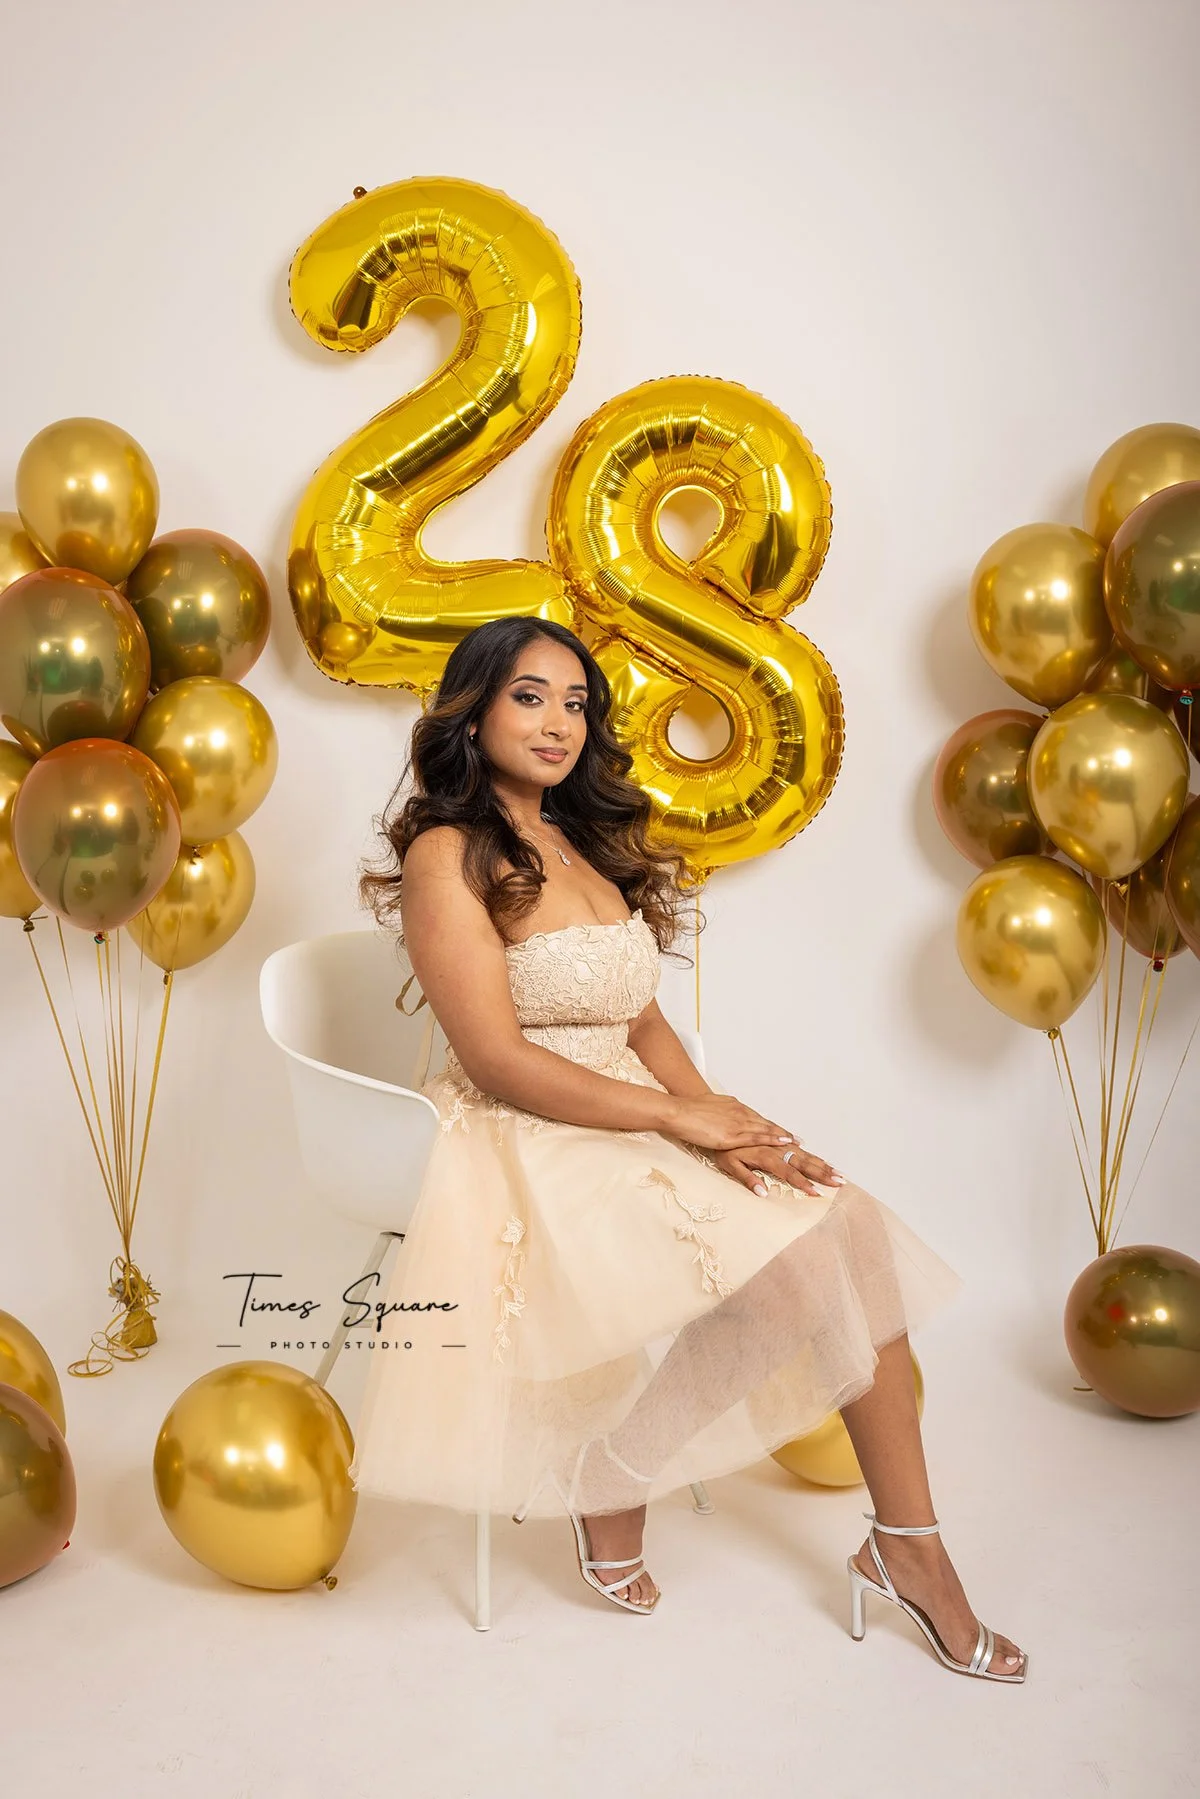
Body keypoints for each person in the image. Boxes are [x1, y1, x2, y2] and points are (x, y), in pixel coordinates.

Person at [348, 616, 1027, 1682]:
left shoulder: (578, 838)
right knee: (800, 1265)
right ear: (473, 710)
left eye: (576, 703)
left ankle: (898, 1541)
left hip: (626, 1104)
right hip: (527, 1131)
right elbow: (492, 1057)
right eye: (529, 696)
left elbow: (639, 1014)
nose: (559, 722)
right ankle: (650, 1481)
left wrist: (727, 1121)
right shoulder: (449, 854)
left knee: (845, 1223)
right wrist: (678, 1120)